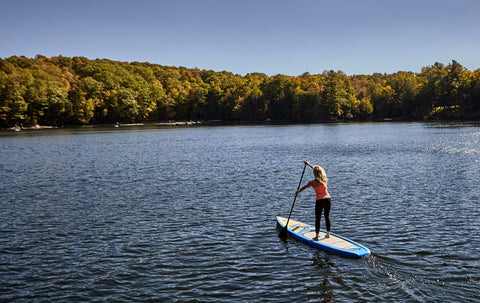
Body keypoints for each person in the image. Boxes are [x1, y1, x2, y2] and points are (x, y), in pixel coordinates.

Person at [296, 161, 331, 241]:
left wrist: (298, 192)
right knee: (327, 217)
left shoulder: (313, 183)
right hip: (328, 199)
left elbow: (304, 187)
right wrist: (309, 165)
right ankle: (328, 234)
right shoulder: (324, 178)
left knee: (318, 218)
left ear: (314, 173)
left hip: (320, 201)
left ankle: (316, 236)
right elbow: (317, 170)